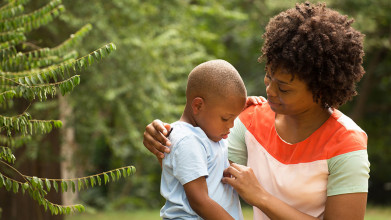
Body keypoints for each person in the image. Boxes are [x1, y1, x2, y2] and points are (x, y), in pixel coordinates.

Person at [143, 2, 370, 220]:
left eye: (283, 88)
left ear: (321, 90)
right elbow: (198, 171)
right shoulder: (249, 121)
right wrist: (165, 140)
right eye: (269, 76)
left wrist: (261, 197)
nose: (269, 90)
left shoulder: (346, 144)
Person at [160, 59, 247, 220]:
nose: (231, 125)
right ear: (198, 106)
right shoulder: (187, 139)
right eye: (226, 118)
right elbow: (200, 201)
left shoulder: (210, 134)